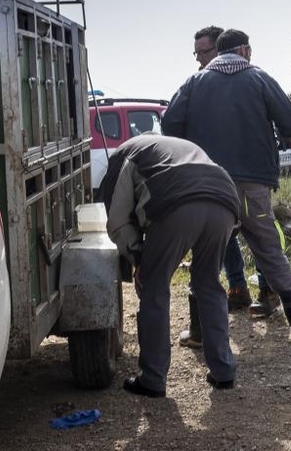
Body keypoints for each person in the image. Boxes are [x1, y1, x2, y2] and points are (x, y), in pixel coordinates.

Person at [162, 29, 291, 344]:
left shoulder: (195, 82)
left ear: (219, 53)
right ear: (244, 50)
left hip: (210, 187)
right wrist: (286, 134)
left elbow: (169, 123)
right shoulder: (260, 79)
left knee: (207, 254)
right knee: (270, 249)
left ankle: (199, 332)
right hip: (252, 187)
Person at [99, 133, 241, 396]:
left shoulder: (122, 156)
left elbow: (117, 221)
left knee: (154, 287)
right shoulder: (172, 147)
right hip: (225, 202)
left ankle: (152, 378)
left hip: (177, 204)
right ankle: (224, 371)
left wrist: (138, 258)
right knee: (208, 283)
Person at [177, 27, 276, 350]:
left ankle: (267, 291)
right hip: (216, 175)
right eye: (197, 54)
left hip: (247, 174)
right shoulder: (199, 83)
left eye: (204, 53)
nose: (201, 59)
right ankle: (237, 289)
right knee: (222, 235)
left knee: (259, 233)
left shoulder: (248, 79)